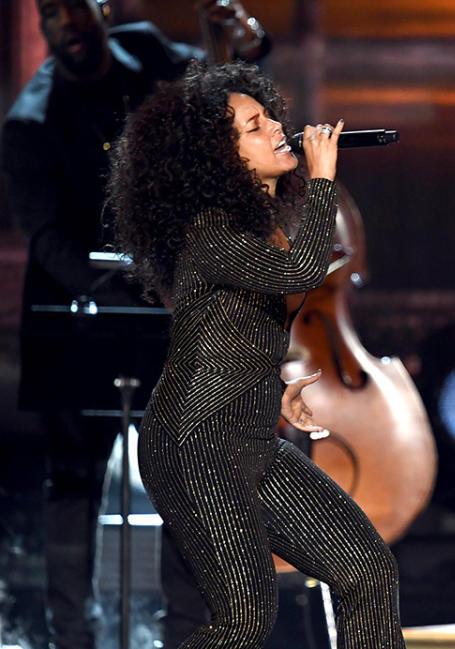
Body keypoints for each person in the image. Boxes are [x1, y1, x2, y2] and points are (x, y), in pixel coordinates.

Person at [106, 61, 405, 649]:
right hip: (195, 446)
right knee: (243, 618)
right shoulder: (210, 230)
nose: (276, 129)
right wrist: (323, 180)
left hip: (250, 439)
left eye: (269, 116)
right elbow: (300, 271)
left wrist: (273, 389)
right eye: (252, 126)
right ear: (222, 159)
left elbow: (239, 330)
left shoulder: (262, 227)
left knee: (368, 571)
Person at [1, 1, 270, 647]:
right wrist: (150, 285)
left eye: (77, 9)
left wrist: (243, 42)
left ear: (101, 9)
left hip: (166, 301)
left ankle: (185, 631)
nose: (67, 25)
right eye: (51, 13)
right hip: (77, 313)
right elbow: (48, 243)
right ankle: (73, 636)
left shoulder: (147, 52)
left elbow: (219, 92)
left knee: (186, 466)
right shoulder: (30, 121)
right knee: (72, 480)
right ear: (41, 24)